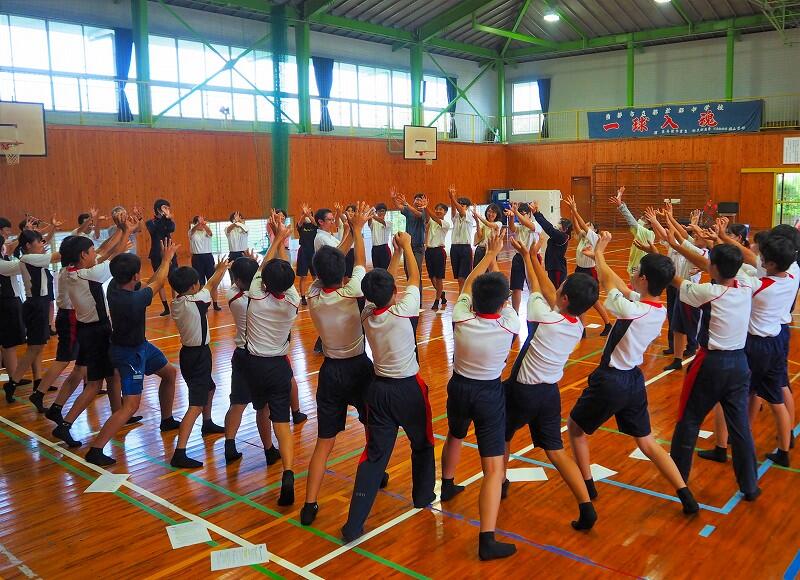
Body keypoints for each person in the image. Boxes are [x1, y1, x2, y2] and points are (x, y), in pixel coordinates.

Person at [567, 231, 699, 515]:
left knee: (575, 429)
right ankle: (685, 494)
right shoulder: (656, 309)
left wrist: (599, 253)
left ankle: (588, 487)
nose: (633, 273)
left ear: (645, 279)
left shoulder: (631, 310)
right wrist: (600, 259)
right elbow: (619, 284)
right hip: (634, 381)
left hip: (611, 380)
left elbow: (607, 283)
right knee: (648, 442)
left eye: (637, 271)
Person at [341, 231, 435, 542]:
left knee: (374, 457)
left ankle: (353, 524)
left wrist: (393, 256)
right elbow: (415, 278)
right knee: (422, 444)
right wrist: (406, 247)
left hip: (378, 391)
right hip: (408, 390)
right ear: (394, 291)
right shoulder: (403, 309)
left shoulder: (367, 313)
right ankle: (422, 496)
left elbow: (383, 287)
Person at [502, 234, 600, 532]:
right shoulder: (576, 325)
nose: (555, 289)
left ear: (565, 298)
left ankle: (500, 481)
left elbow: (536, 288)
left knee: (503, 434)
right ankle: (586, 504)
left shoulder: (543, 318)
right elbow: (547, 290)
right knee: (556, 451)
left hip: (523, 390)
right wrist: (533, 257)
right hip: (549, 394)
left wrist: (527, 258)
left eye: (561, 288)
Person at [662, 229, 761, 499]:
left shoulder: (707, 291)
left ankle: (679, 480)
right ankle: (750, 486)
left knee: (688, 420)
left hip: (711, 362)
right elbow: (713, 264)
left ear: (714, 268)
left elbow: (676, 280)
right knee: (740, 427)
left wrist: (660, 258)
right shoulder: (747, 284)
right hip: (739, 363)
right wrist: (679, 246)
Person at [439, 233, 520, 560]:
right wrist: (497, 257)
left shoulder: (461, 316)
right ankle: (487, 539)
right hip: (489, 393)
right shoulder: (509, 323)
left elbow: (470, 285)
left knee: (455, 434)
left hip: (459, 387)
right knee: (493, 469)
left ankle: (446, 484)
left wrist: (487, 254)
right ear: (502, 304)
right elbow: (501, 296)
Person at [301, 202, 383, 526]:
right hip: (358, 368)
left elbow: (335, 260)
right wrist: (358, 230)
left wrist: (350, 231)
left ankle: (309, 504)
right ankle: (377, 471)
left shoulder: (312, 293)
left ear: (317, 273)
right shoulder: (352, 291)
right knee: (371, 426)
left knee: (324, 442)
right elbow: (359, 260)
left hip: (330, 371)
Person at [84, 241, 180, 466]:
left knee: (169, 373)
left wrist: (162, 263)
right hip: (129, 355)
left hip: (141, 347)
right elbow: (158, 283)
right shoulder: (134, 300)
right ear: (136, 276)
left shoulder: (114, 287)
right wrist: (166, 259)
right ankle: (96, 450)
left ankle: (166, 420)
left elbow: (152, 283)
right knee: (131, 405)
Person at [51, 220, 133, 447]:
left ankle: (119, 414)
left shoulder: (69, 272)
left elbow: (106, 255)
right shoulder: (88, 275)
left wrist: (123, 233)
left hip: (88, 330)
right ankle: (65, 425)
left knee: (112, 375)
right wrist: (126, 231)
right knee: (95, 384)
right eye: (91, 251)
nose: (95, 253)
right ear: (82, 255)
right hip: (97, 332)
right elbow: (114, 259)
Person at [243, 212, 299, 505]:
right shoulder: (292, 300)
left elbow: (264, 266)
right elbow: (284, 272)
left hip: (255, 365)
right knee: (282, 422)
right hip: (279, 366)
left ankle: (268, 451)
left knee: (261, 409)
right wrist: (282, 239)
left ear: (263, 282)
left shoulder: (256, 294)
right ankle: (288, 471)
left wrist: (275, 238)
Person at [168, 258, 230, 468]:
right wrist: (221, 269)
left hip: (189, 354)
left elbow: (207, 286)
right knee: (195, 404)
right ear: (194, 287)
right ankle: (180, 452)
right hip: (198, 356)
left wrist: (218, 271)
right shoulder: (196, 301)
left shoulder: (177, 301)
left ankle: (207, 423)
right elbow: (211, 285)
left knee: (209, 388)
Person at [222, 253, 281, 466]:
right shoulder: (264, 299)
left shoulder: (233, 296)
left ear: (237, 280)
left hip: (241, 355)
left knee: (237, 403)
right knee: (262, 407)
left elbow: (241, 282)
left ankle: (229, 445)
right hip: (260, 357)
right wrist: (259, 264)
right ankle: (269, 450)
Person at [643, 207, 708, 371]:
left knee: (690, 323)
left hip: (690, 291)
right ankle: (676, 355)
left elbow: (678, 235)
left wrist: (667, 219)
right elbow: (674, 235)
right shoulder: (688, 244)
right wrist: (660, 221)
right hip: (676, 286)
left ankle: (693, 348)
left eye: (699, 235)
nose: (696, 236)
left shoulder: (700, 252)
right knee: (676, 322)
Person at [4, 230, 60, 402]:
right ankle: (13, 382)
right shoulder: (29, 258)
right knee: (34, 348)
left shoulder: (34, 257)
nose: (42, 244)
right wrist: (76, 243)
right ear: (28, 245)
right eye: (38, 242)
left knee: (39, 345)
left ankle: (37, 381)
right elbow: (57, 256)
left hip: (40, 303)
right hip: (36, 305)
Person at [565, 195, 612, 336]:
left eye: (589, 224)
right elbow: (577, 226)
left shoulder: (594, 237)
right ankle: (583, 329)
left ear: (594, 229)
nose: (586, 225)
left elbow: (583, 226)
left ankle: (607, 324)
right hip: (579, 270)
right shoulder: (583, 237)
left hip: (589, 271)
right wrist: (573, 212)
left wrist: (575, 210)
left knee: (593, 300)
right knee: (581, 299)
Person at [312, 207, 354, 354]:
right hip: (328, 279)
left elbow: (340, 246)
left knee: (333, 313)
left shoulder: (329, 235)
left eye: (332, 219)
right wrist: (352, 231)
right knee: (331, 313)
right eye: (329, 220)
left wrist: (348, 230)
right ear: (320, 221)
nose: (332, 222)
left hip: (334, 277)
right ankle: (322, 343)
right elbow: (339, 253)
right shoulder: (321, 238)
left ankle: (323, 343)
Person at [608, 186, 655, 281]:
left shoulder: (647, 233)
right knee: (635, 282)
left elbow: (631, 220)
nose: (640, 219)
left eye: (644, 218)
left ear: (649, 224)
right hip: (636, 263)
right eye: (641, 217)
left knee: (637, 284)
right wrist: (619, 197)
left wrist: (620, 205)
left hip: (640, 265)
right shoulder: (640, 232)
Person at [504, 202, 543, 313]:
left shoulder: (536, 224)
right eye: (519, 213)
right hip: (519, 257)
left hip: (532, 258)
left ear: (529, 214)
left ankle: (535, 311)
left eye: (523, 213)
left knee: (534, 287)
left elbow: (529, 225)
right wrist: (512, 217)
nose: (520, 216)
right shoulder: (519, 226)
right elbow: (512, 228)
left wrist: (515, 212)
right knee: (516, 287)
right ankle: (515, 313)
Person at [146, 199, 177, 316]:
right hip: (156, 254)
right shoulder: (150, 222)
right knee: (159, 281)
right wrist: (164, 218)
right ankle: (166, 308)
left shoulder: (168, 221)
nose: (167, 210)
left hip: (169, 252)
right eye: (165, 207)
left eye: (168, 208)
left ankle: (175, 304)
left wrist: (168, 218)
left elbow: (172, 228)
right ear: (158, 209)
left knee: (173, 278)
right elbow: (155, 230)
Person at [530, 201, 571, 288]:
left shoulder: (562, 236)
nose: (558, 225)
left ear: (565, 228)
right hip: (552, 267)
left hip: (557, 269)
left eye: (560, 224)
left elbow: (548, 227)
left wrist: (536, 214)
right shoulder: (560, 235)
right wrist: (538, 212)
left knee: (555, 290)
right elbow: (548, 225)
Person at [390, 189, 427, 278]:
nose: (418, 202)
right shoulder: (408, 211)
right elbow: (399, 206)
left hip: (418, 247)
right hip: (408, 246)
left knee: (416, 271)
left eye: (420, 200)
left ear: (424, 203)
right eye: (416, 199)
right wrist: (393, 198)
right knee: (407, 270)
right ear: (413, 201)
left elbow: (418, 214)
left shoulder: (424, 213)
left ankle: (418, 287)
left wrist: (406, 203)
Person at [189, 215, 222, 311]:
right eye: (198, 222)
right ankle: (203, 303)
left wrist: (204, 224)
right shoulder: (191, 232)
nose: (201, 224)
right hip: (197, 258)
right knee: (200, 283)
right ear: (195, 223)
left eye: (202, 221)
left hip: (208, 257)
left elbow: (210, 233)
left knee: (213, 281)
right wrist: (198, 224)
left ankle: (215, 304)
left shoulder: (206, 231)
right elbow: (192, 230)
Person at [447, 186, 474, 293]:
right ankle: (463, 296)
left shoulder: (469, 215)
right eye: (459, 204)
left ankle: (464, 297)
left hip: (465, 248)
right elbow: (454, 210)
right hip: (454, 248)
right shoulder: (456, 217)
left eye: (463, 205)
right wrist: (451, 198)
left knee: (463, 278)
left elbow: (461, 211)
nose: (460, 206)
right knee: (459, 278)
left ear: (467, 207)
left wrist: (453, 198)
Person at [426, 203, 451, 310]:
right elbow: (428, 218)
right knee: (432, 277)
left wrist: (426, 207)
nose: (438, 211)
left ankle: (437, 301)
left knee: (439, 278)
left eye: (441, 209)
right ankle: (441, 294)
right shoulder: (431, 221)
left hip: (439, 252)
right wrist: (424, 207)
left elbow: (434, 218)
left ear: (445, 212)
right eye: (436, 209)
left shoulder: (445, 224)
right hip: (429, 251)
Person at [296, 203, 318, 306]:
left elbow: (315, 223)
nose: (306, 216)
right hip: (303, 252)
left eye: (309, 214)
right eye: (303, 214)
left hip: (314, 252)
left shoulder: (314, 226)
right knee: (303, 276)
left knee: (315, 276)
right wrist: (304, 214)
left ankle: (316, 294)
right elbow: (300, 223)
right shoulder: (301, 226)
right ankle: (303, 297)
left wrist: (308, 214)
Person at [472, 204, 503, 270]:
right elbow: (479, 236)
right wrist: (477, 222)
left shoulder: (498, 223)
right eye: (489, 211)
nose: (490, 214)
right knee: (477, 271)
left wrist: (477, 215)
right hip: (480, 250)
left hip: (491, 250)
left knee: (489, 272)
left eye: (493, 212)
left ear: (497, 214)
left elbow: (489, 224)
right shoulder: (482, 223)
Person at [368, 203, 392, 270]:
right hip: (375, 249)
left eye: (383, 211)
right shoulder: (373, 223)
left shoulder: (388, 222)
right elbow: (369, 221)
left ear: (385, 212)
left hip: (384, 248)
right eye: (379, 211)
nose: (381, 212)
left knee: (385, 270)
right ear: (376, 212)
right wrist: (370, 212)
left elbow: (381, 221)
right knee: (376, 269)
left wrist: (373, 215)